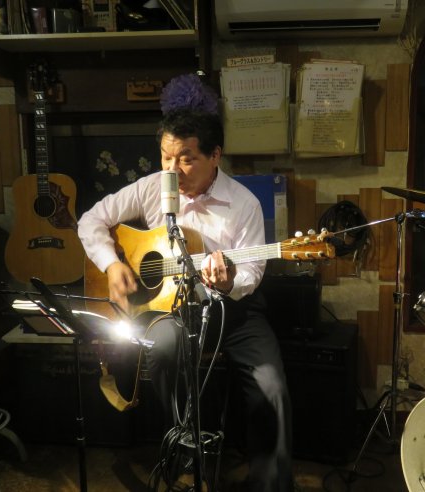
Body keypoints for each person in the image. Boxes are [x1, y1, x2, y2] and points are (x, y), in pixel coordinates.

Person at [77, 108, 294, 492]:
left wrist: (228, 281)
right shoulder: (151, 188)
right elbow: (91, 220)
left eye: (186, 159)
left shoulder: (244, 203)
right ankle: (187, 450)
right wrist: (111, 264)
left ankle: (271, 483)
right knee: (161, 350)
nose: (172, 170)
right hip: (172, 309)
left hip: (234, 309)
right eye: (166, 157)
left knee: (272, 386)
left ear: (215, 155)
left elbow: (253, 272)